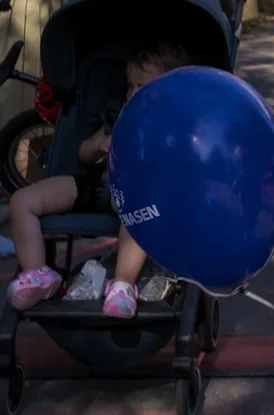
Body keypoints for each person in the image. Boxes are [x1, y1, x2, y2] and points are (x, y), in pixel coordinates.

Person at [7, 40, 189, 317]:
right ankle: (38, 274)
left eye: (142, 86)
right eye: (130, 85)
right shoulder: (118, 115)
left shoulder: (174, 126)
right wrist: (100, 144)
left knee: (135, 210)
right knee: (22, 201)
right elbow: (83, 154)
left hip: (142, 198)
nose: (132, 92)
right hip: (98, 185)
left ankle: (123, 286)